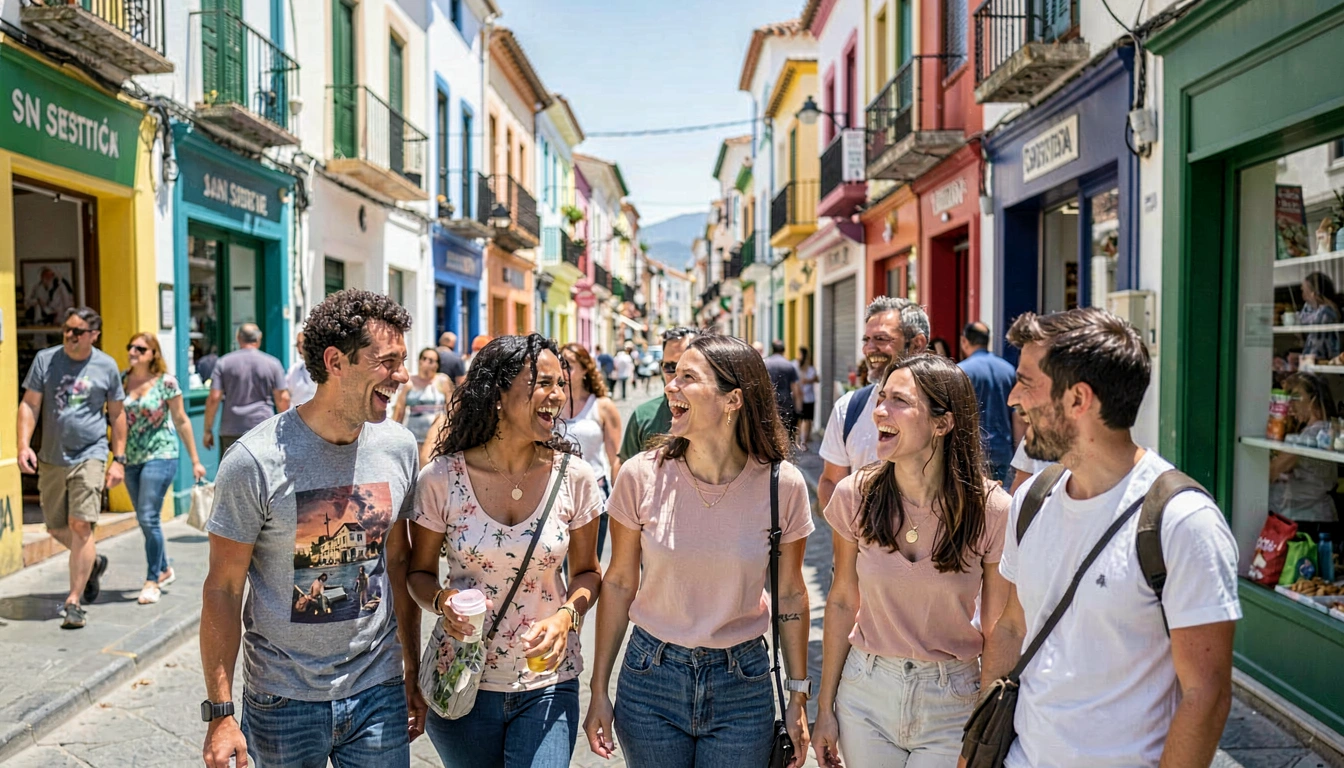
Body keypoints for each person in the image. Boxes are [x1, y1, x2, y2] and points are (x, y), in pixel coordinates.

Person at [982, 307, 1240, 768]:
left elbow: (1206, 694)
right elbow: (1011, 627)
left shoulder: (1182, 522)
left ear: (1079, 399)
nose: (1014, 398)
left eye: (1026, 382)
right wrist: (979, 748)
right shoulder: (1032, 501)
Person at [200, 290, 424, 768]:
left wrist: (412, 666)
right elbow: (223, 588)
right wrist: (220, 713)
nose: (402, 375)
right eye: (387, 361)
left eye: (402, 361)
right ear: (335, 362)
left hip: (378, 687)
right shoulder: (254, 460)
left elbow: (398, 561)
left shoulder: (400, 447)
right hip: (283, 699)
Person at [584, 334, 814, 768]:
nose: (670, 385)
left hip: (742, 684)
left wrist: (798, 697)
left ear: (733, 400)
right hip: (650, 679)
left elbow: (791, 595)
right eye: (672, 373)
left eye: (688, 377)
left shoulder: (781, 485)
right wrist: (599, 689)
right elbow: (618, 583)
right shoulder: (639, 476)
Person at [409, 334, 603, 767]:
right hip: (462, 679)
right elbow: (418, 574)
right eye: (543, 383)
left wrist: (566, 617)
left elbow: (589, 573)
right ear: (497, 393)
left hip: (549, 681)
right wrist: (442, 601)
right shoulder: (441, 479)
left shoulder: (575, 477)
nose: (557, 395)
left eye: (560, 383)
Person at [813, 354, 1010, 768]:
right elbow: (843, 601)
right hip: (865, 693)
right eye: (881, 399)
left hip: (953, 701)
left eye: (899, 401)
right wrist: (825, 708)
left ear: (943, 423)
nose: (880, 411)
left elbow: (998, 627)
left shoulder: (992, 509)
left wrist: (986, 724)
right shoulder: (854, 495)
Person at [17, 307, 126, 630]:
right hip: (52, 456)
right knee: (55, 527)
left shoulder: (106, 365)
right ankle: (92, 562)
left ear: (94, 335)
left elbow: (117, 414)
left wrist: (118, 459)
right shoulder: (45, 360)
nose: (69, 336)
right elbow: (30, 404)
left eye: (77, 331)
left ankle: (73, 602)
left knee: (80, 525)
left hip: (90, 453)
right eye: (66, 329)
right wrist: (23, 445)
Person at [818, 297, 931, 510]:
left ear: (917, 344)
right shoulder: (848, 408)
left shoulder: (943, 411)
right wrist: (855, 525)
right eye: (866, 340)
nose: (868, 349)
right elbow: (831, 482)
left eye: (881, 339)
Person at [122, 332, 207, 604]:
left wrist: (195, 460)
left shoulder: (166, 382)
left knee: (148, 517)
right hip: (131, 458)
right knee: (144, 518)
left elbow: (181, 420)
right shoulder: (122, 380)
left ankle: (152, 580)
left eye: (140, 348)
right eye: (131, 347)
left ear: (153, 354)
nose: (133, 352)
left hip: (161, 454)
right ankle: (164, 567)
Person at [561, 343, 623, 559]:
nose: (563, 370)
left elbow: (615, 458)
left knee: (586, 565)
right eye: (560, 364)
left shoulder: (602, 406)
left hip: (593, 494)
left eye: (569, 365)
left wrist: (619, 503)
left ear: (585, 369)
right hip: (555, 496)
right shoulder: (549, 404)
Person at [202, 324, 290, 455]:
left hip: (232, 429)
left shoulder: (224, 363)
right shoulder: (272, 363)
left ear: (238, 338)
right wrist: (287, 427)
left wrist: (208, 429)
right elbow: (283, 398)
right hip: (262, 427)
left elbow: (214, 398)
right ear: (259, 339)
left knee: (232, 467)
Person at [1270, 372, 1339, 523]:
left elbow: (1273, 471)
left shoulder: (1312, 435)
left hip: (1305, 518)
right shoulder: (1323, 430)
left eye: (1296, 397)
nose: (1291, 404)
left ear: (1313, 400)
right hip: (1308, 514)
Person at [619, 327, 696, 461]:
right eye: (670, 367)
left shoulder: (720, 417)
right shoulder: (643, 416)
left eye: (686, 370)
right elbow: (623, 465)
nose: (675, 379)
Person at [958, 322, 1019, 486]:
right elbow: (1017, 417)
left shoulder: (961, 371)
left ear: (964, 341)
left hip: (973, 450)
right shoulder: (1008, 370)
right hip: (1003, 449)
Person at [393, 347, 453, 460]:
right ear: (419, 361)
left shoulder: (442, 381)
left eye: (431, 360)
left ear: (437, 365)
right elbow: (399, 410)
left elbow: (451, 408)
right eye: (424, 358)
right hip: (414, 435)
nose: (426, 362)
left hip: (436, 437)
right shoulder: (409, 382)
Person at [1299, 271, 1342, 361]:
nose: (1303, 297)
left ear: (1314, 293)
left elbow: (1316, 349)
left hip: (1326, 361)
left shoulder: (1326, 312)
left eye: (1305, 291)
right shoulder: (1311, 310)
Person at [765, 339, 800, 439]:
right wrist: (798, 408)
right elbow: (795, 389)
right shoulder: (789, 365)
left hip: (769, 403)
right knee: (786, 433)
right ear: (783, 350)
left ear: (772, 350)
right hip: (786, 404)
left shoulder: (766, 364)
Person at [794, 346, 818, 451]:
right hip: (803, 398)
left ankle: (801, 441)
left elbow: (817, 378)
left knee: (805, 420)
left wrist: (808, 380)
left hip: (806, 398)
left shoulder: (809, 368)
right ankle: (801, 442)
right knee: (804, 420)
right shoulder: (797, 366)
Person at [285, 332, 318, 408]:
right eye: (298, 344)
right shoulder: (294, 369)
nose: (301, 347)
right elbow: (286, 395)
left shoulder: (325, 368)